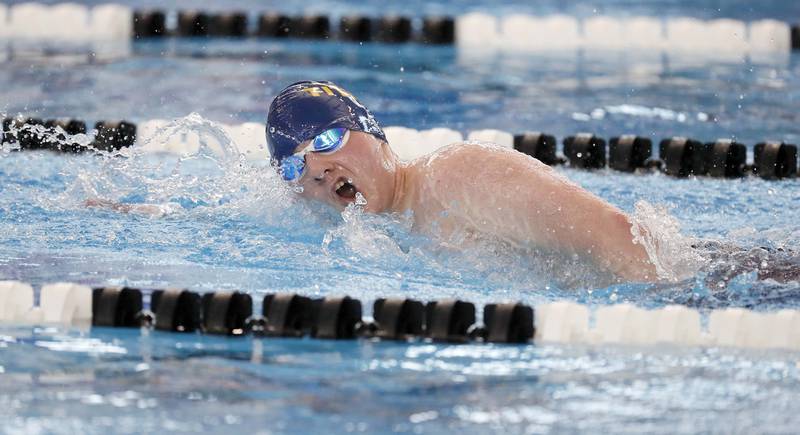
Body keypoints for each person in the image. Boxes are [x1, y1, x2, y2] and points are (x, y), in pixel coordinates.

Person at [267, 80, 658, 282]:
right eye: (294, 166)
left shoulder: (457, 175)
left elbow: (622, 238)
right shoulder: (365, 239)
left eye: (327, 140)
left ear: (373, 132)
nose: (317, 167)